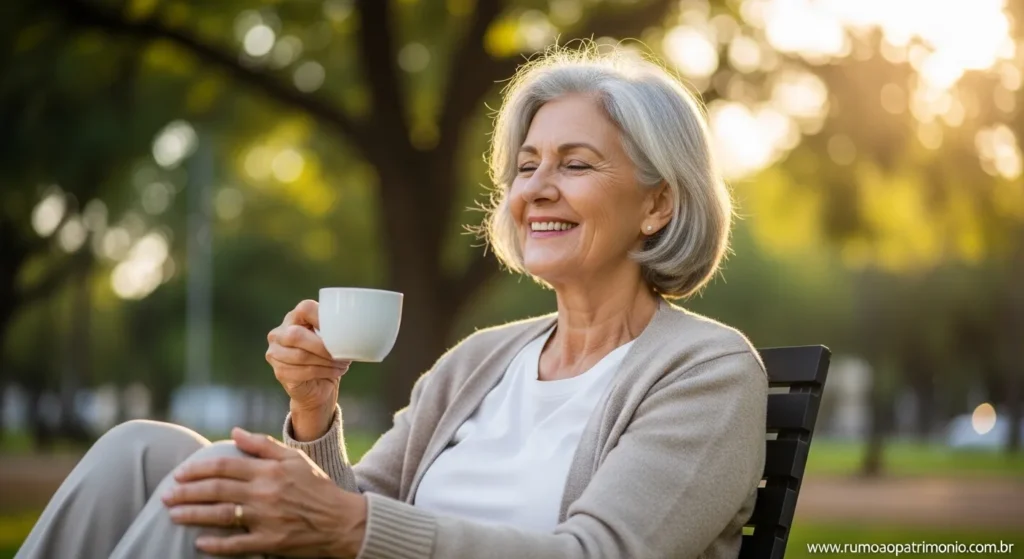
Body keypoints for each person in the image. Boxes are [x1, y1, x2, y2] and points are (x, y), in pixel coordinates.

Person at [16, 45, 767, 559]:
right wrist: (314, 411)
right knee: (140, 450)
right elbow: (349, 509)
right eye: (527, 164)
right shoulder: (483, 359)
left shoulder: (705, 370)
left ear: (659, 204)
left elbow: (597, 553)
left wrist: (354, 523)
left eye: (576, 164)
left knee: (213, 479)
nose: (535, 187)